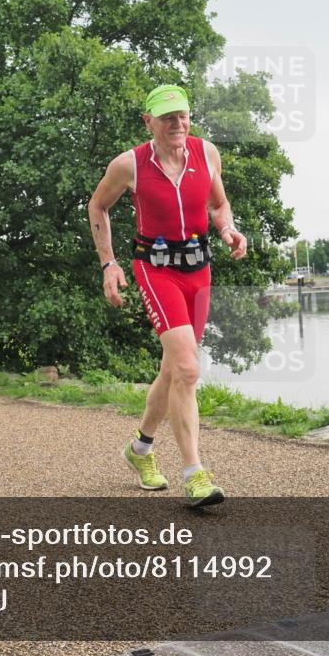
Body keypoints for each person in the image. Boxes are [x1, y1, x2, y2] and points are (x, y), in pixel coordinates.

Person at [88, 84, 247, 507]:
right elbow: (97, 206)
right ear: (149, 122)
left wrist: (228, 229)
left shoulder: (206, 153)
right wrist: (109, 263)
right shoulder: (130, 165)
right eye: (167, 117)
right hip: (156, 269)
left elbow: (219, 204)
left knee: (174, 370)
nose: (177, 124)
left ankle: (140, 449)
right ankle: (195, 475)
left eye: (183, 115)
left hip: (199, 269)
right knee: (188, 369)